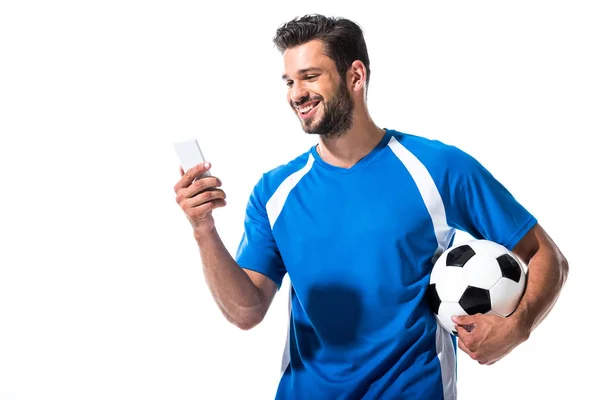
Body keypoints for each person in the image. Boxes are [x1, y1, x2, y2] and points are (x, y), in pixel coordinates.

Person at [173, 14, 569, 400]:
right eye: (290, 81)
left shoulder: (437, 168)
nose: (296, 93)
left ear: (356, 77)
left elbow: (543, 254)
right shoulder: (275, 191)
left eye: (310, 76)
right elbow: (247, 310)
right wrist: (203, 229)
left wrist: (518, 327)